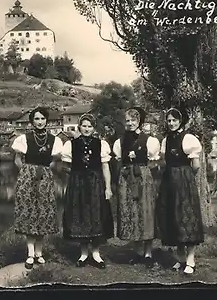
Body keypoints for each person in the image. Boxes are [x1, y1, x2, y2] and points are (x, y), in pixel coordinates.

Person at [11, 106, 64, 269]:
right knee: (29, 213)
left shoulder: (54, 140)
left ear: (46, 120)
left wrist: (47, 170)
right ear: (32, 121)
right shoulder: (23, 138)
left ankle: (39, 253)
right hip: (27, 179)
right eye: (36, 119)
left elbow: (55, 161)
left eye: (42, 119)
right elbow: (17, 160)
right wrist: (26, 172)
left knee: (43, 213)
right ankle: (30, 254)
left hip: (45, 179)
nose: (40, 122)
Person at [61, 114, 114, 269]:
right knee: (81, 215)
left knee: (96, 215)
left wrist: (108, 187)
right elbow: (66, 169)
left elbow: (105, 167)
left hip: (95, 182)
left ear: (94, 128)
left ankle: (96, 254)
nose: (87, 129)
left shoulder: (101, 144)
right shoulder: (71, 144)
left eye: (90, 126)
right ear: (79, 127)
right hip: (77, 183)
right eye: (84, 125)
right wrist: (68, 186)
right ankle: (84, 254)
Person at [156, 107, 204, 275]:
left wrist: (187, 178)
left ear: (180, 121)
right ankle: (180, 259)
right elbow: (164, 162)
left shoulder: (189, 138)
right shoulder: (166, 140)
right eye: (169, 120)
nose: (171, 123)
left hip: (184, 181)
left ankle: (191, 260)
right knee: (173, 219)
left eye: (174, 120)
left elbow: (196, 166)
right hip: (169, 183)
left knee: (186, 219)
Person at [113, 107, 161, 267]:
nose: (130, 123)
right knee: (131, 213)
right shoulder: (120, 142)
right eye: (127, 120)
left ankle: (148, 253)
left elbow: (153, 163)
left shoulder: (149, 140)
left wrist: (148, 177)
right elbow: (119, 160)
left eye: (133, 120)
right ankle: (137, 252)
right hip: (126, 178)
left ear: (139, 121)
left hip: (143, 177)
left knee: (145, 213)